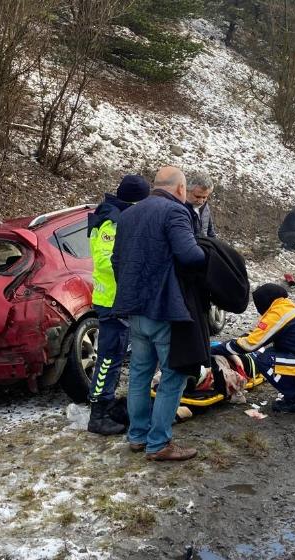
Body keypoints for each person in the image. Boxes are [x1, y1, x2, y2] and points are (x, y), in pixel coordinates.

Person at [112, 166, 205, 461]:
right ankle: (159, 443)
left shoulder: (127, 215)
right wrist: (209, 253)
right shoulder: (174, 212)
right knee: (173, 374)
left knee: (139, 373)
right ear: (180, 189)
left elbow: (117, 260)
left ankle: (137, 436)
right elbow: (190, 255)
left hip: (135, 308)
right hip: (164, 308)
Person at [212, 283, 295, 414]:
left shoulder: (277, 314)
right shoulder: (291, 311)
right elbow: (257, 335)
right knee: (280, 353)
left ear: (264, 303)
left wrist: (214, 350)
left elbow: (249, 344)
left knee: (265, 359)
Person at [85, 174, 151, 435]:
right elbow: (105, 261)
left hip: (119, 299)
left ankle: (107, 404)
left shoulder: (116, 216)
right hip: (112, 301)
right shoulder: (111, 221)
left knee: (115, 356)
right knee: (108, 359)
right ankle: (98, 414)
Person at [186, 173, 217, 238]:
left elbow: (211, 233)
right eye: (197, 196)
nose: (201, 202)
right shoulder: (179, 209)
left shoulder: (205, 206)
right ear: (187, 191)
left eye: (204, 197)